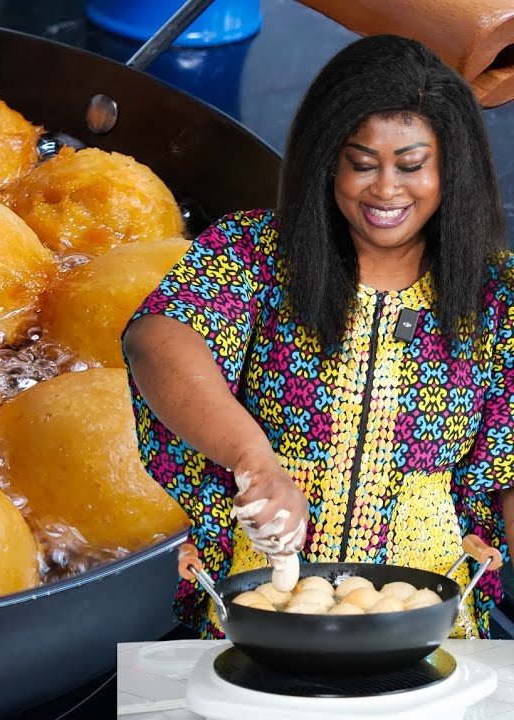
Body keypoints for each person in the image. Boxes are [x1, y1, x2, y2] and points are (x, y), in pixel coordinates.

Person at [123, 34, 512, 638]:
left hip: (433, 614)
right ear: (327, 158)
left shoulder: (499, 297)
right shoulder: (255, 251)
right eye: (361, 163)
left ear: (449, 169)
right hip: (257, 603)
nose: (385, 189)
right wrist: (255, 462)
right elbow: (158, 337)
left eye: (410, 165)